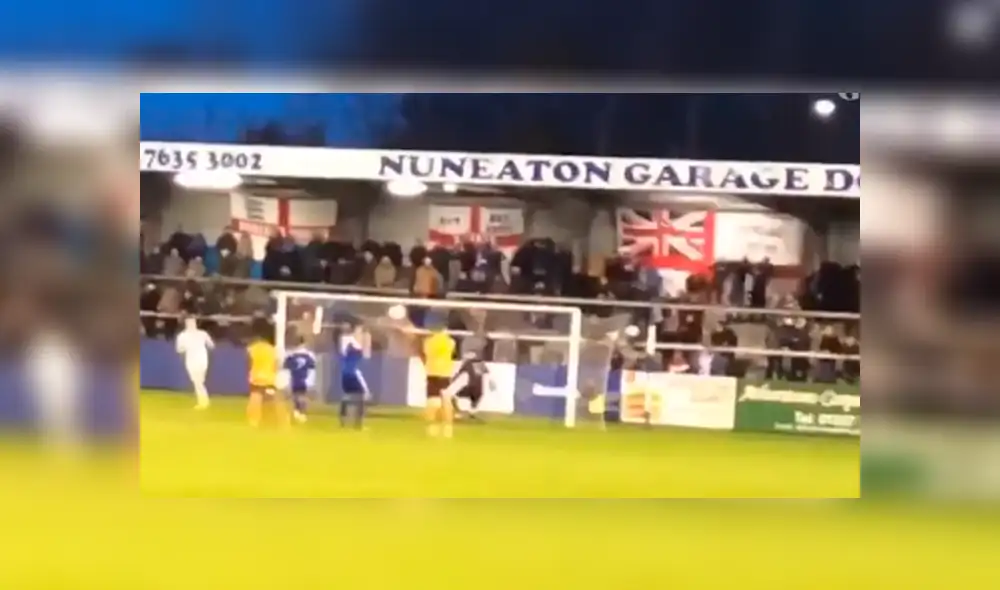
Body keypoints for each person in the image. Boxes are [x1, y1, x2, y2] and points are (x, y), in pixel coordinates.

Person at [246, 322, 289, 428]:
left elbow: (249, 363)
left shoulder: (252, 348)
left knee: (255, 399)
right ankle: (282, 422)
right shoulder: (272, 350)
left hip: (256, 377)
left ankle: (254, 421)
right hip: (269, 378)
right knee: (276, 401)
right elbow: (276, 365)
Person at [422, 322, 456, 438]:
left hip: (432, 373)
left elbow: (426, 352)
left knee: (432, 401)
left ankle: (432, 428)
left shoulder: (428, 342)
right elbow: (452, 348)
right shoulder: (449, 341)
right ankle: (448, 428)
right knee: (446, 400)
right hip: (445, 373)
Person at [174, 317, 214, 409]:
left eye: (193, 322)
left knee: (198, 381)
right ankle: (203, 401)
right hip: (194, 359)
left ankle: (203, 402)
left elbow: (211, 345)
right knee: (198, 381)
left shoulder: (202, 334)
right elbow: (179, 349)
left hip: (199, 359)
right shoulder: (182, 336)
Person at [445, 350, 496, 420]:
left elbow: (459, 373)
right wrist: (491, 383)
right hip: (478, 389)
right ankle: (472, 413)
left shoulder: (467, 363)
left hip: (471, 387)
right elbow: (488, 374)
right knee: (476, 399)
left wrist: (452, 380)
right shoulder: (480, 363)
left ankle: (458, 412)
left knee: (453, 395)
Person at [339, 323, 371, 429]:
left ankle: (343, 421)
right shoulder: (352, 344)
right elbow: (363, 351)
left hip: (345, 373)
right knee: (362, 397)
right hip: (352, 373)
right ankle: (358, 424)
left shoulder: (345, 343)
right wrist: (365, 336)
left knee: (347, 396)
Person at [281, 335, 317, 424]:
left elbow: (286, 369)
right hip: (304, 379)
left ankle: (297, 413)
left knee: (295, 397)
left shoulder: (290, 356)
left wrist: (285, 383)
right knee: (302, 397)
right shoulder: (309, 356)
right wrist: (311, 383)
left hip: (294, 379)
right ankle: (301, 413)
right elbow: (312, 369)